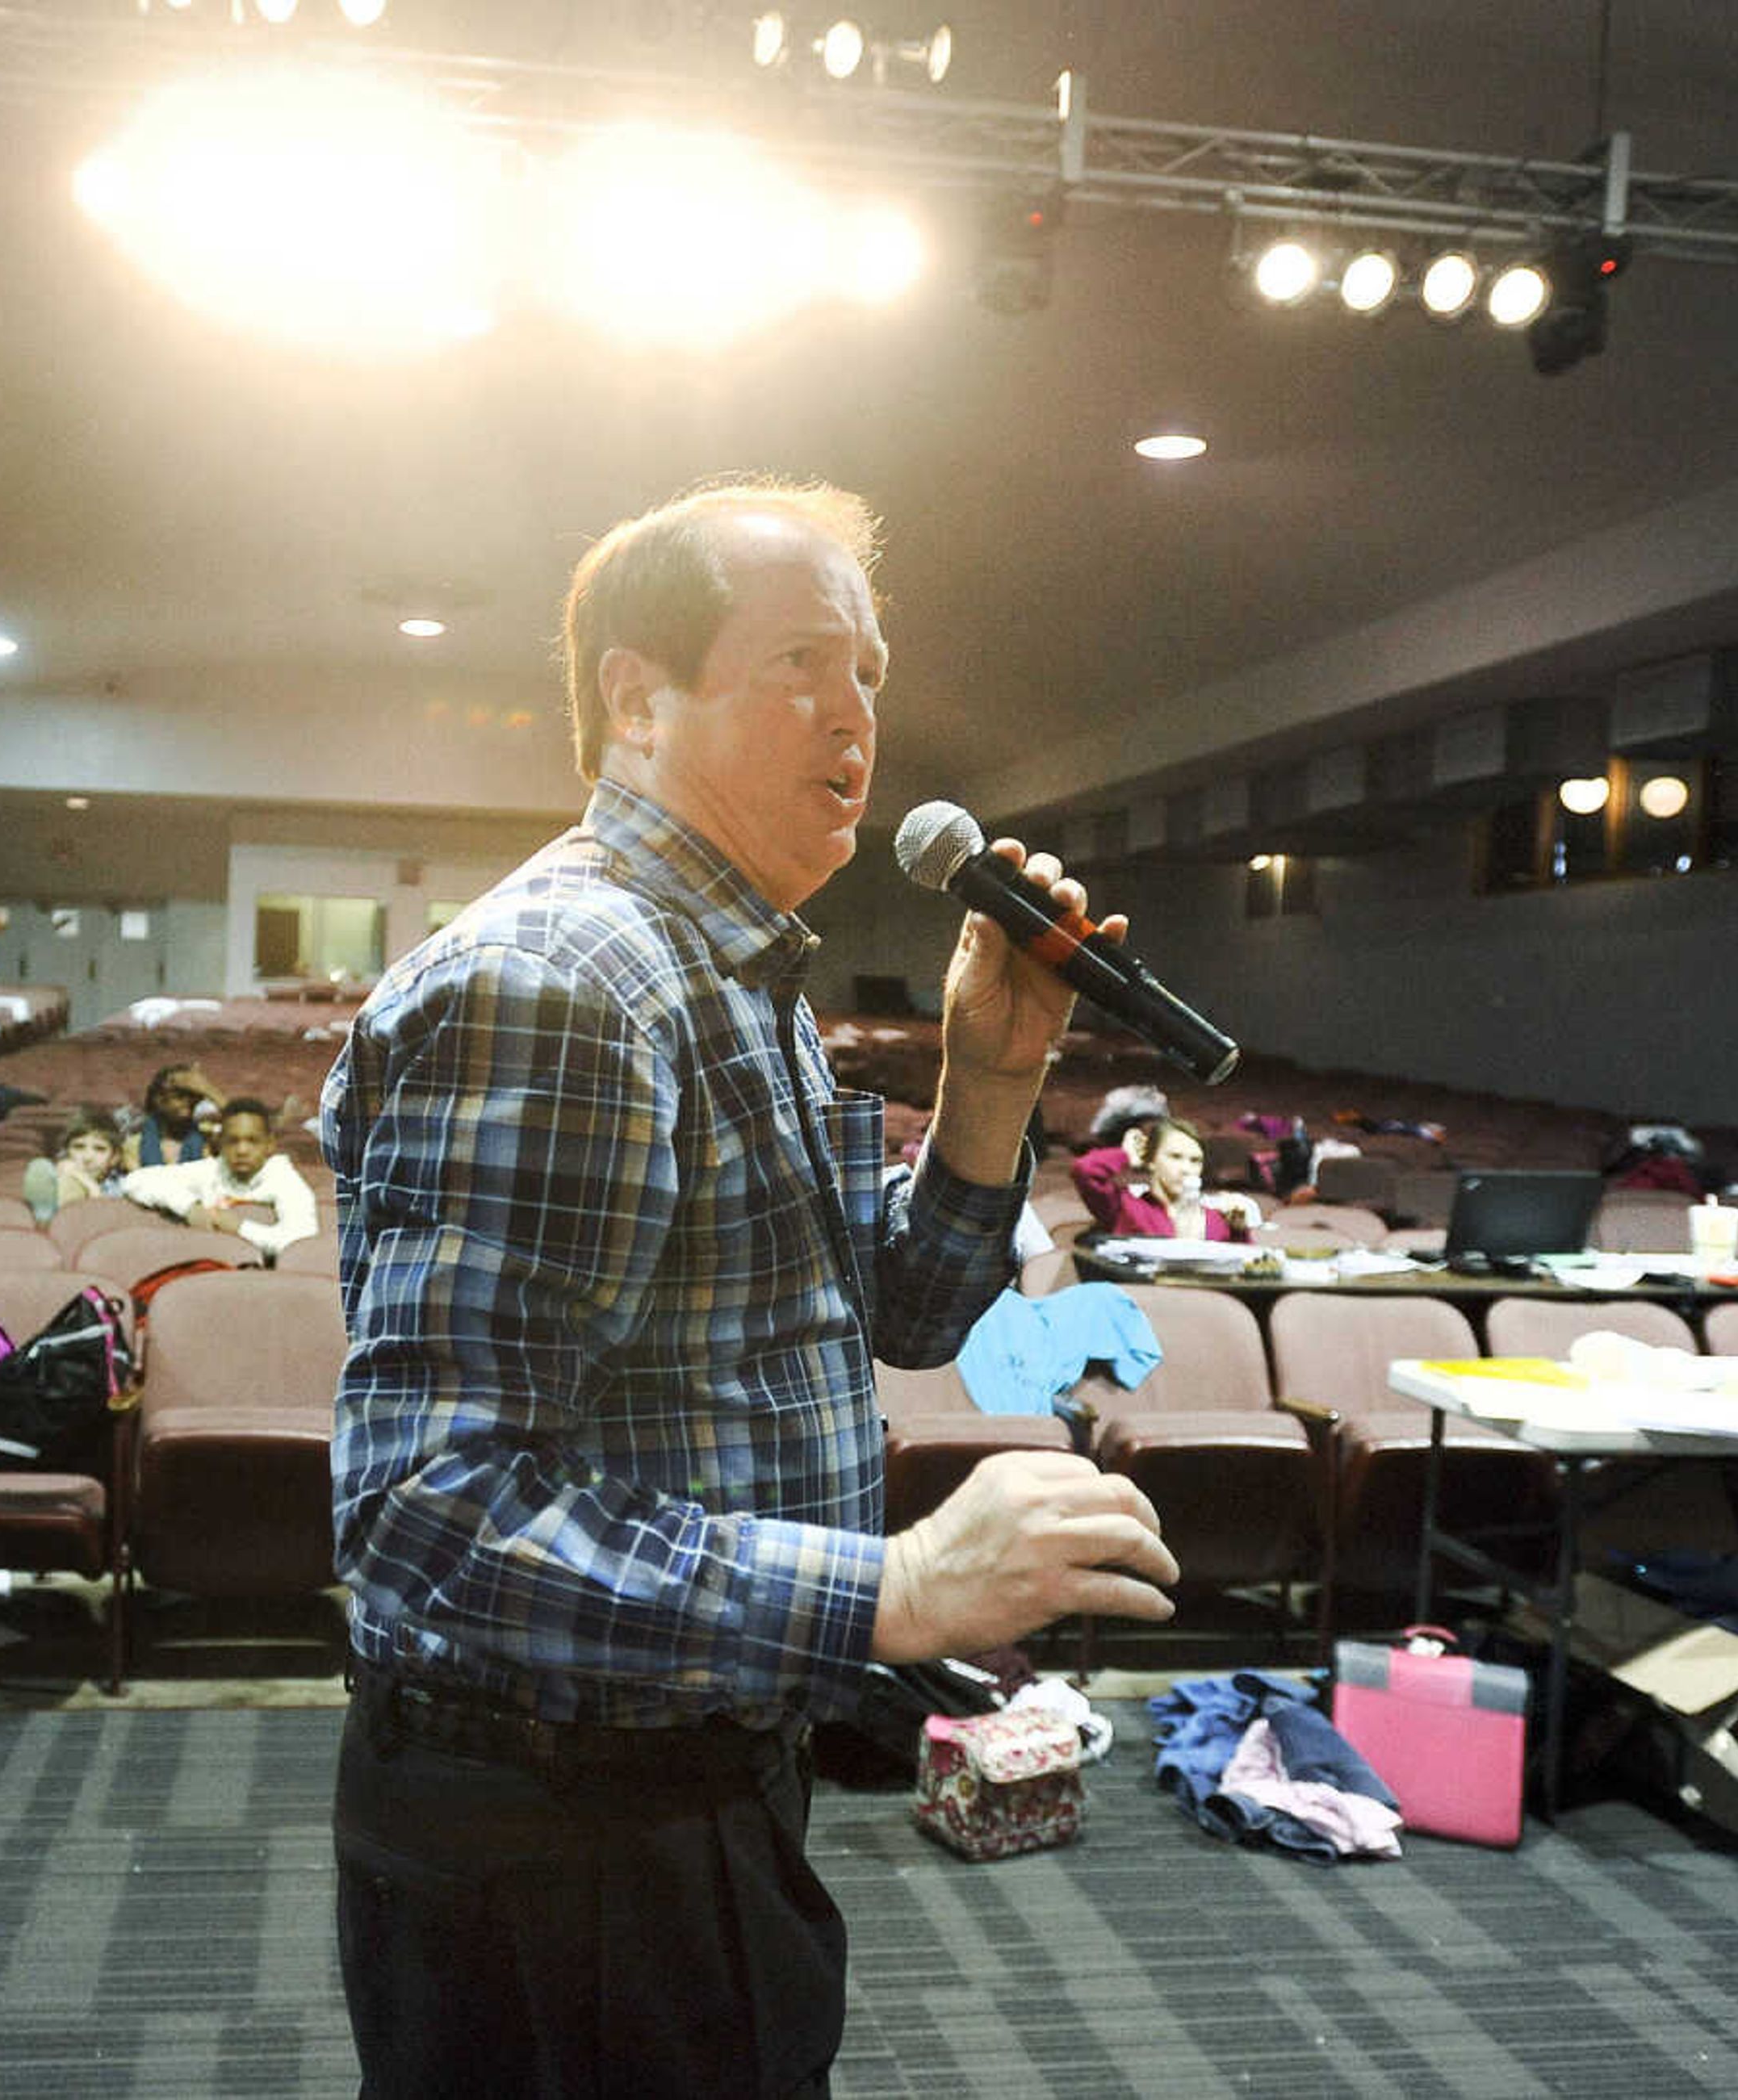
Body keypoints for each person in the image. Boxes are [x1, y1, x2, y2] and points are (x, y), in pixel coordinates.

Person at [325, 477, 1178, 2097]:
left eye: (866, 666)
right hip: (561, 1834)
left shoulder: (737, 973)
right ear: (638, 701)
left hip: (682, 1779)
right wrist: (893, 1589)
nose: (854, 708)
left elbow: (896, 1318)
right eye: (799, 658)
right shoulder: (568, 982)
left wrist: (987, 1076)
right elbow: (430, 1513)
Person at [120, 1096, 319, 1261]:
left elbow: (301, 1242)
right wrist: (189, 1208)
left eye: (252, 1141)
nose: (242, 1150)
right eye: (233, 1141)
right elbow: (136, 1180)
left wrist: (239, 1228)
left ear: (270, 1144)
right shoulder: (212, 1170)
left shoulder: (285, 1178)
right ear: (220, 1143)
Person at [1072, 1111, 1266, 1240]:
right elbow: (1085, 1170)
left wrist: (1239, 1231)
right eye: (1175, 1157)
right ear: (1151, 1161)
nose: (1186, 1169)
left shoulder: (1218, 1218)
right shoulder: (1125, 1208)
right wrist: (1126, 1156)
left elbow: (1242, 1275)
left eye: (1195, 1161)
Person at [20, 1110, 132, 1223]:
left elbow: (107, 1214)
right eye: (79, 1147)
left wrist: (86, 1181)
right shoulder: (64, 1173)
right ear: (67, 1152)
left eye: (100, 1149)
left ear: (114, 1158)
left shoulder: (123, 1184)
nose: (88, 1158)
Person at [121, 1061, 222, 1169]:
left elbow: (239, 1120)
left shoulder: (208, 1140)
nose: (189, 1101)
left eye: (193, 1095)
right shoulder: (134, 1146)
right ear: (159, 1100)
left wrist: (208, 1090)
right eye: (180, 1095)